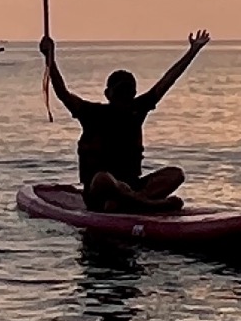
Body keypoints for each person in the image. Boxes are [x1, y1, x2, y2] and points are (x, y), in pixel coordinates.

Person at [42, 30, 210, 211]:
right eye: (120, 92)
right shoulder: (91, 113)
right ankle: (145, 204)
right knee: (102, 179)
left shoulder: (137, 110)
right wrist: (49, 57)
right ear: (108, 94)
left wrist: (192, 51)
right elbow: (62, 92)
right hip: (99, 192)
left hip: (132, 187)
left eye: (128, 92)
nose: (124, 97)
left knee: (176, 174)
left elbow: (167, 81)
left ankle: (131, 201)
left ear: (134, 94)